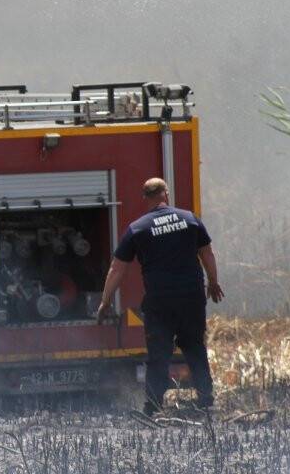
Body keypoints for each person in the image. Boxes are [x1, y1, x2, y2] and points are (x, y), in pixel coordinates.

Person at [96, 177, 224, 416]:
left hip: (160, 301)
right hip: (191, 297)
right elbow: (207, 252)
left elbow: (117, 268)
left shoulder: (138, 228)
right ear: (166, 194)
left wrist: (105, 300)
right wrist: (214, 282)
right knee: (194, 347)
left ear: (145, 198)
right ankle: (206, 400)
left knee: (158, 354)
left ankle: (153, 406)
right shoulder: (190, 219)